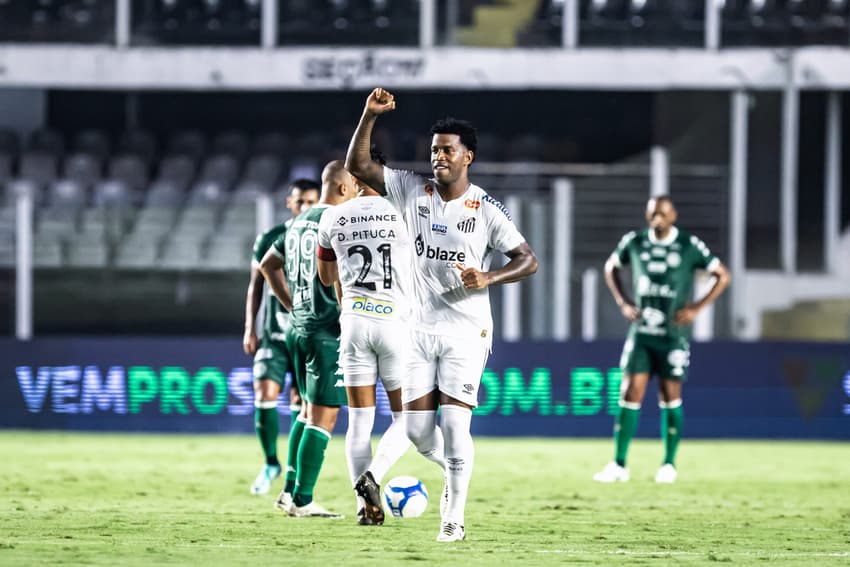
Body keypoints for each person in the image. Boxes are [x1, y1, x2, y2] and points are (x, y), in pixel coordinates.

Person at [345, 88, 539, 542]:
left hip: (466, 333)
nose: (439, 157)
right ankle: (452, 468)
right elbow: (358, 167)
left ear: (467, 156)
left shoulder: (487, 210)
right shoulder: (413, 189)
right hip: (416, 330)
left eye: (448, 150)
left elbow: (528, 259)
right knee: (415, 431)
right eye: (434, 150)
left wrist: (487, 278)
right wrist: (368, 116)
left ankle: (453, 518)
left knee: (454, 424)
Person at [593, 195, 730, 484]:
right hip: (642, 333)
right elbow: (611, 267)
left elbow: (722, 275)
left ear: (673, 216)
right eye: (653, 213)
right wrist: (623, 301)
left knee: (670, 397)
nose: (657, 218)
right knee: (630, 393)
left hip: (673, 335)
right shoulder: (635, 241)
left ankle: (668, 464)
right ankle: (619, 464)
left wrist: (696, 307)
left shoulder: (688, 246)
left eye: (662, 213)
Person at [316, 149, 413, 526]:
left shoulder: (332, 216)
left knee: (359, 421)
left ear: (354, 179)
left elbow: (327, 278)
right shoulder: (403, 212)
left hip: (354, 323)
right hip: (395, 324)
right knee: (408, 417)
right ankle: (373, 476)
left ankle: (363, 507)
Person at [259, 160, 355, 518]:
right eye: (356, 190)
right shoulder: (337, 221)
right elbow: (341, 277)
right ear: (344, 188)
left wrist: (292, 304)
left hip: (297, 328)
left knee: (306, 411)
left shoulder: (298, 221)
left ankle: (289, 492)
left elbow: (268, 265)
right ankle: (303, 499)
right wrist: (348, 317)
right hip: (327, 331)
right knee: (324, 416)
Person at [244, 179, 320, 496]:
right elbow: (256, 285)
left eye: (310, 202)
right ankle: (270, 462)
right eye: (299, 202)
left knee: (301, 405)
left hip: (305, 333)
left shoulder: (323, 237)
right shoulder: (271, 238)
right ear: (289, 203)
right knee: (264, 390)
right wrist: (251, 326)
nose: (304, 207)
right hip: (275, 332)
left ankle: (292, 471)